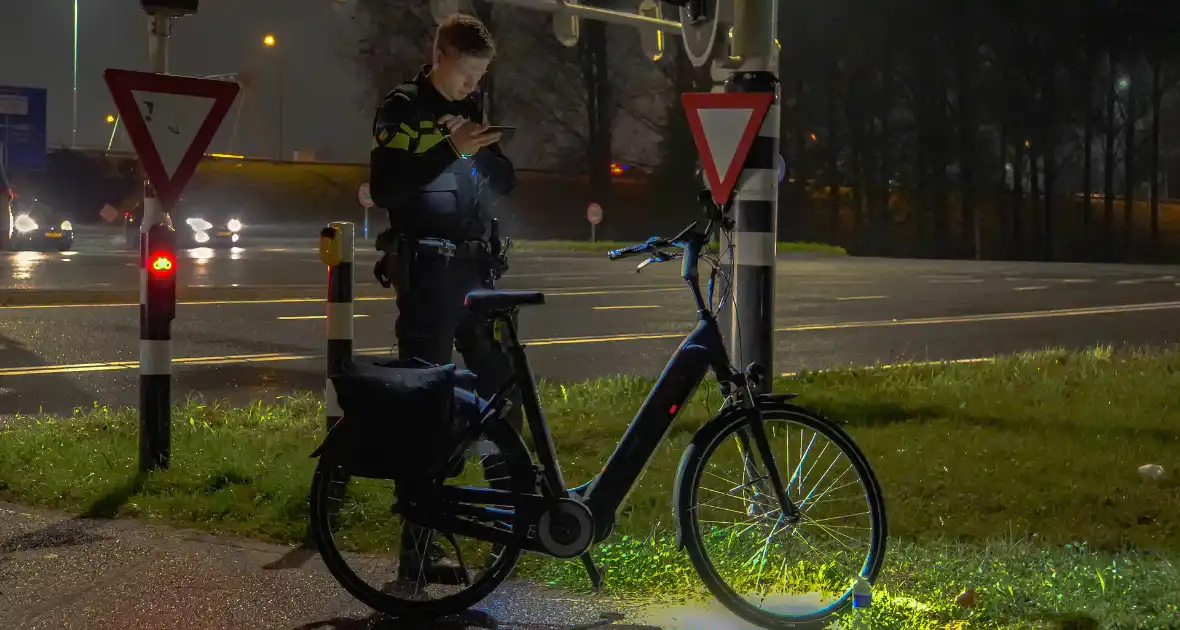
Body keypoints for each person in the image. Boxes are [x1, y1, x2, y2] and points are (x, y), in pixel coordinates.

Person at [368, 12, 520, 587]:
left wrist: (483, 150)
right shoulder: (402, 107)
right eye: (468, 74)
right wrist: (451, 148)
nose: (473, 86)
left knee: (502, 385)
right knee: (425, 400)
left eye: (481, 76)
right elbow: (387, 187)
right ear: (442, 58)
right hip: (428, 271)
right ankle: (419, 546)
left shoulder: (471, 111)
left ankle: (512, 516)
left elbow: (505, 182)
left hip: (475, 269)